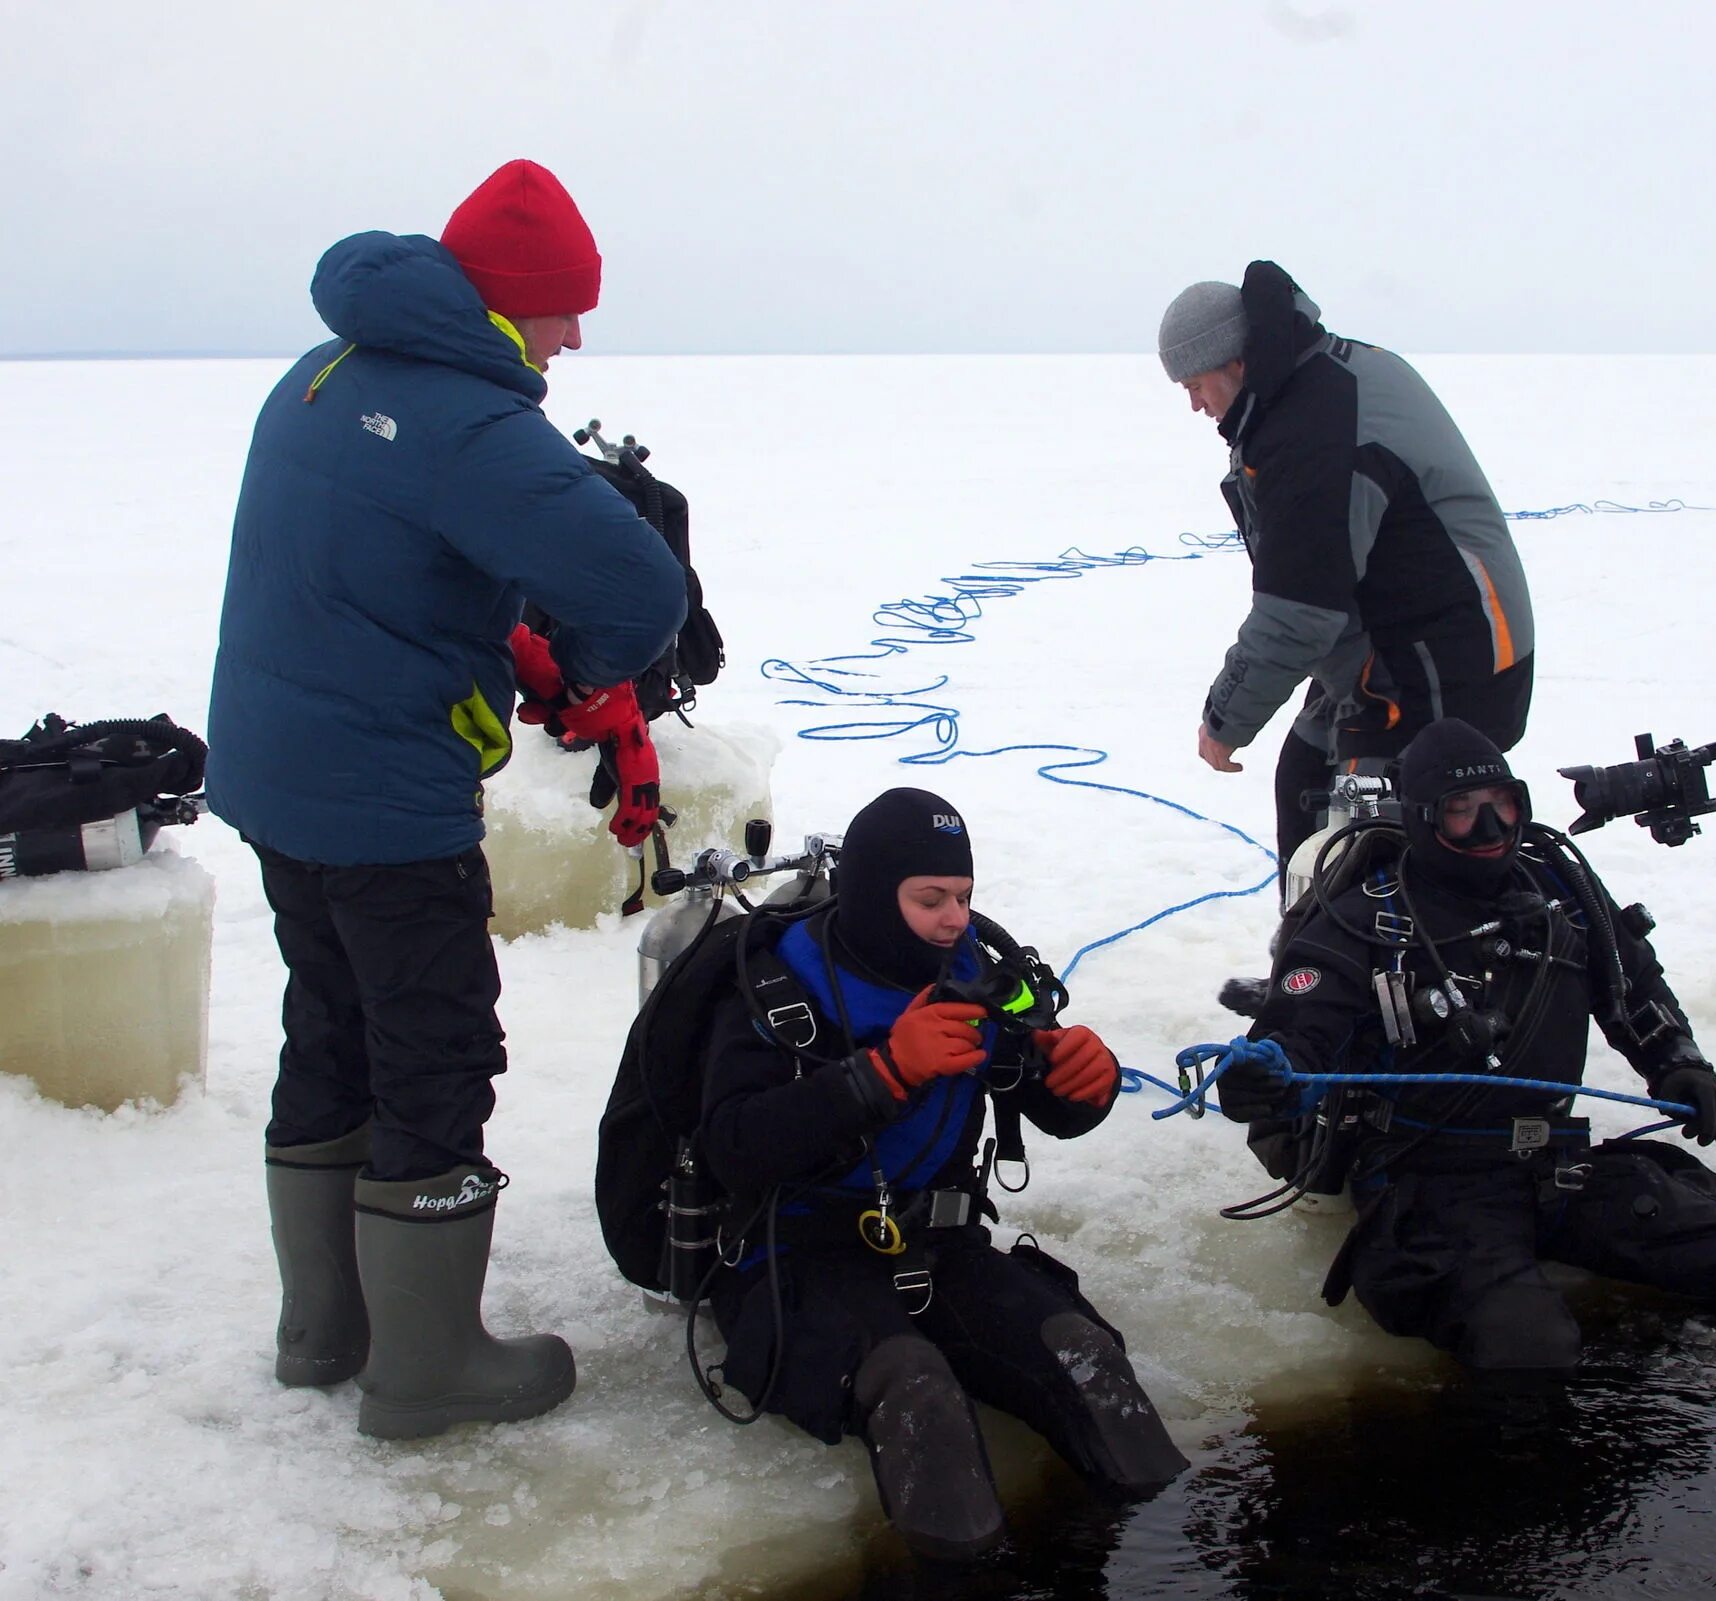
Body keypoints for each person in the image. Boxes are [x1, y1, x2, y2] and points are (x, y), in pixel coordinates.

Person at [207, 159, 688, 1439]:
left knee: (331, 1023)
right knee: (432, 1048)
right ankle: (425, 1371)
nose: (574, 335)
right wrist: (585, 673)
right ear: (503, 301)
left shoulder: (318, 372)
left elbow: (366, 560)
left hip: (272, 768)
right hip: (380, 798)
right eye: (563, 308)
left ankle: (325, 1331)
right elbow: (644, 598)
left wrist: (499, 644)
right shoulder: (473, 422)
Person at [1215, 718, 1716, 1385]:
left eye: (1503, 806)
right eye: (1461, 815)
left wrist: (1680, 1061)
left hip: (1555, 1164)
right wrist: (1263, 1079)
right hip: (1432, 1183)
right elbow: (1299, 1035)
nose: (1491, 830)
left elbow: (1631, 984)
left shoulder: (1560, 888)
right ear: (1417, 820)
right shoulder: (1363, 918)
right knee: (1527, 1346)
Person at [696, 787, 1186, 1560]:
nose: (954, 917)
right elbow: (732, 1145)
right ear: (870, 894)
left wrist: (1085, 1083)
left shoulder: (978, 975)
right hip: (793, 1257)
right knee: (915, 1389)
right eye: (930, 898)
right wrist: (881, 1074)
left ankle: (1176, 1560)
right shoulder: (778, 985)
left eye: (962, 895)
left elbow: (1044, 1094)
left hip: (940, 1248)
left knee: (1081, 1356)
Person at [1158, 262, 1537, 875]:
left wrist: (1226, 720)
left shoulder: (1315, 427)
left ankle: (1393, 964)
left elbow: (1297, 611)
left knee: (1361, 838)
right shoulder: (1307, 385)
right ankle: (1312, 964)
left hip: (1446, 662)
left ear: (1235, 362)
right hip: (1383, 646)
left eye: (1195, 385)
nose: (1197, 406)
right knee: (1307, 778)